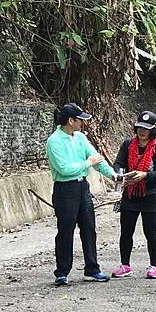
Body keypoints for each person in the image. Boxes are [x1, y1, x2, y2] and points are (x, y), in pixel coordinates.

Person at [45, 103, 117, 286]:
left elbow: (96, 159)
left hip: (82, 188)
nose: (82, 123)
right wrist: (87, 163)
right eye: (80, 120)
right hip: (64, 189)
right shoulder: (54, 141)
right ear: (71, 121)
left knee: (89, 228)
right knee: (65, 231)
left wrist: (114, 175)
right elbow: (63, 168)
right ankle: (62, 272)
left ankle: (92, 269)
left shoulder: (81, 138)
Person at [111, 111, 156, 279]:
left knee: (150, 231)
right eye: (140, 127)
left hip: (150, 194)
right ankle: (125, 265)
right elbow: (119, 164)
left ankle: (154, 265)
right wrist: (120, 176)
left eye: (146, 128)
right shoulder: (127, 145)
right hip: (130, 193)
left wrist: (145, 175)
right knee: (126, 231)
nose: (142, 131)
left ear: (153, 130)